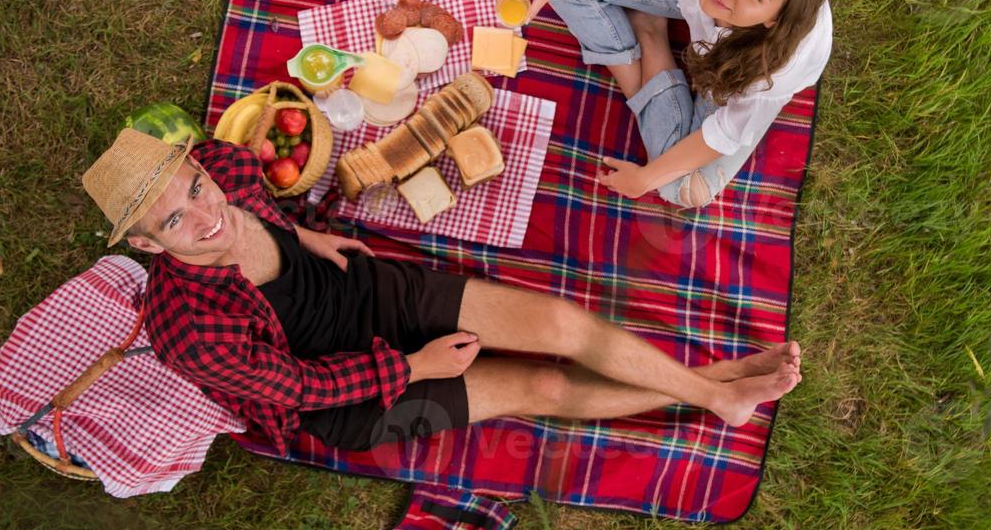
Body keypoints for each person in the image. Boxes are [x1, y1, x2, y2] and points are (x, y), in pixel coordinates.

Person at [81, 129, 803, 457]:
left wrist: (308, 240)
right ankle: (715, 390)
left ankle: (713, 394)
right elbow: (297, 387)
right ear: (147, 245)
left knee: (560, 323)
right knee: (538, 389)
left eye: (196, 190)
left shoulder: (222, 167)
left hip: (365, 291)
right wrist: (415, 368)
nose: (208, 216)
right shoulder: (186, 330)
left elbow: (253, 210)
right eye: (175, 221)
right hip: (350, 394)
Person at [498, 0, 833, 209]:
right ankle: (641, 59)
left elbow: (722, 134)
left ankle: (650, 32)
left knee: (682, 189)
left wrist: (644, 179)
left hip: (734, 70)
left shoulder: (773, 72)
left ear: (774, 19)